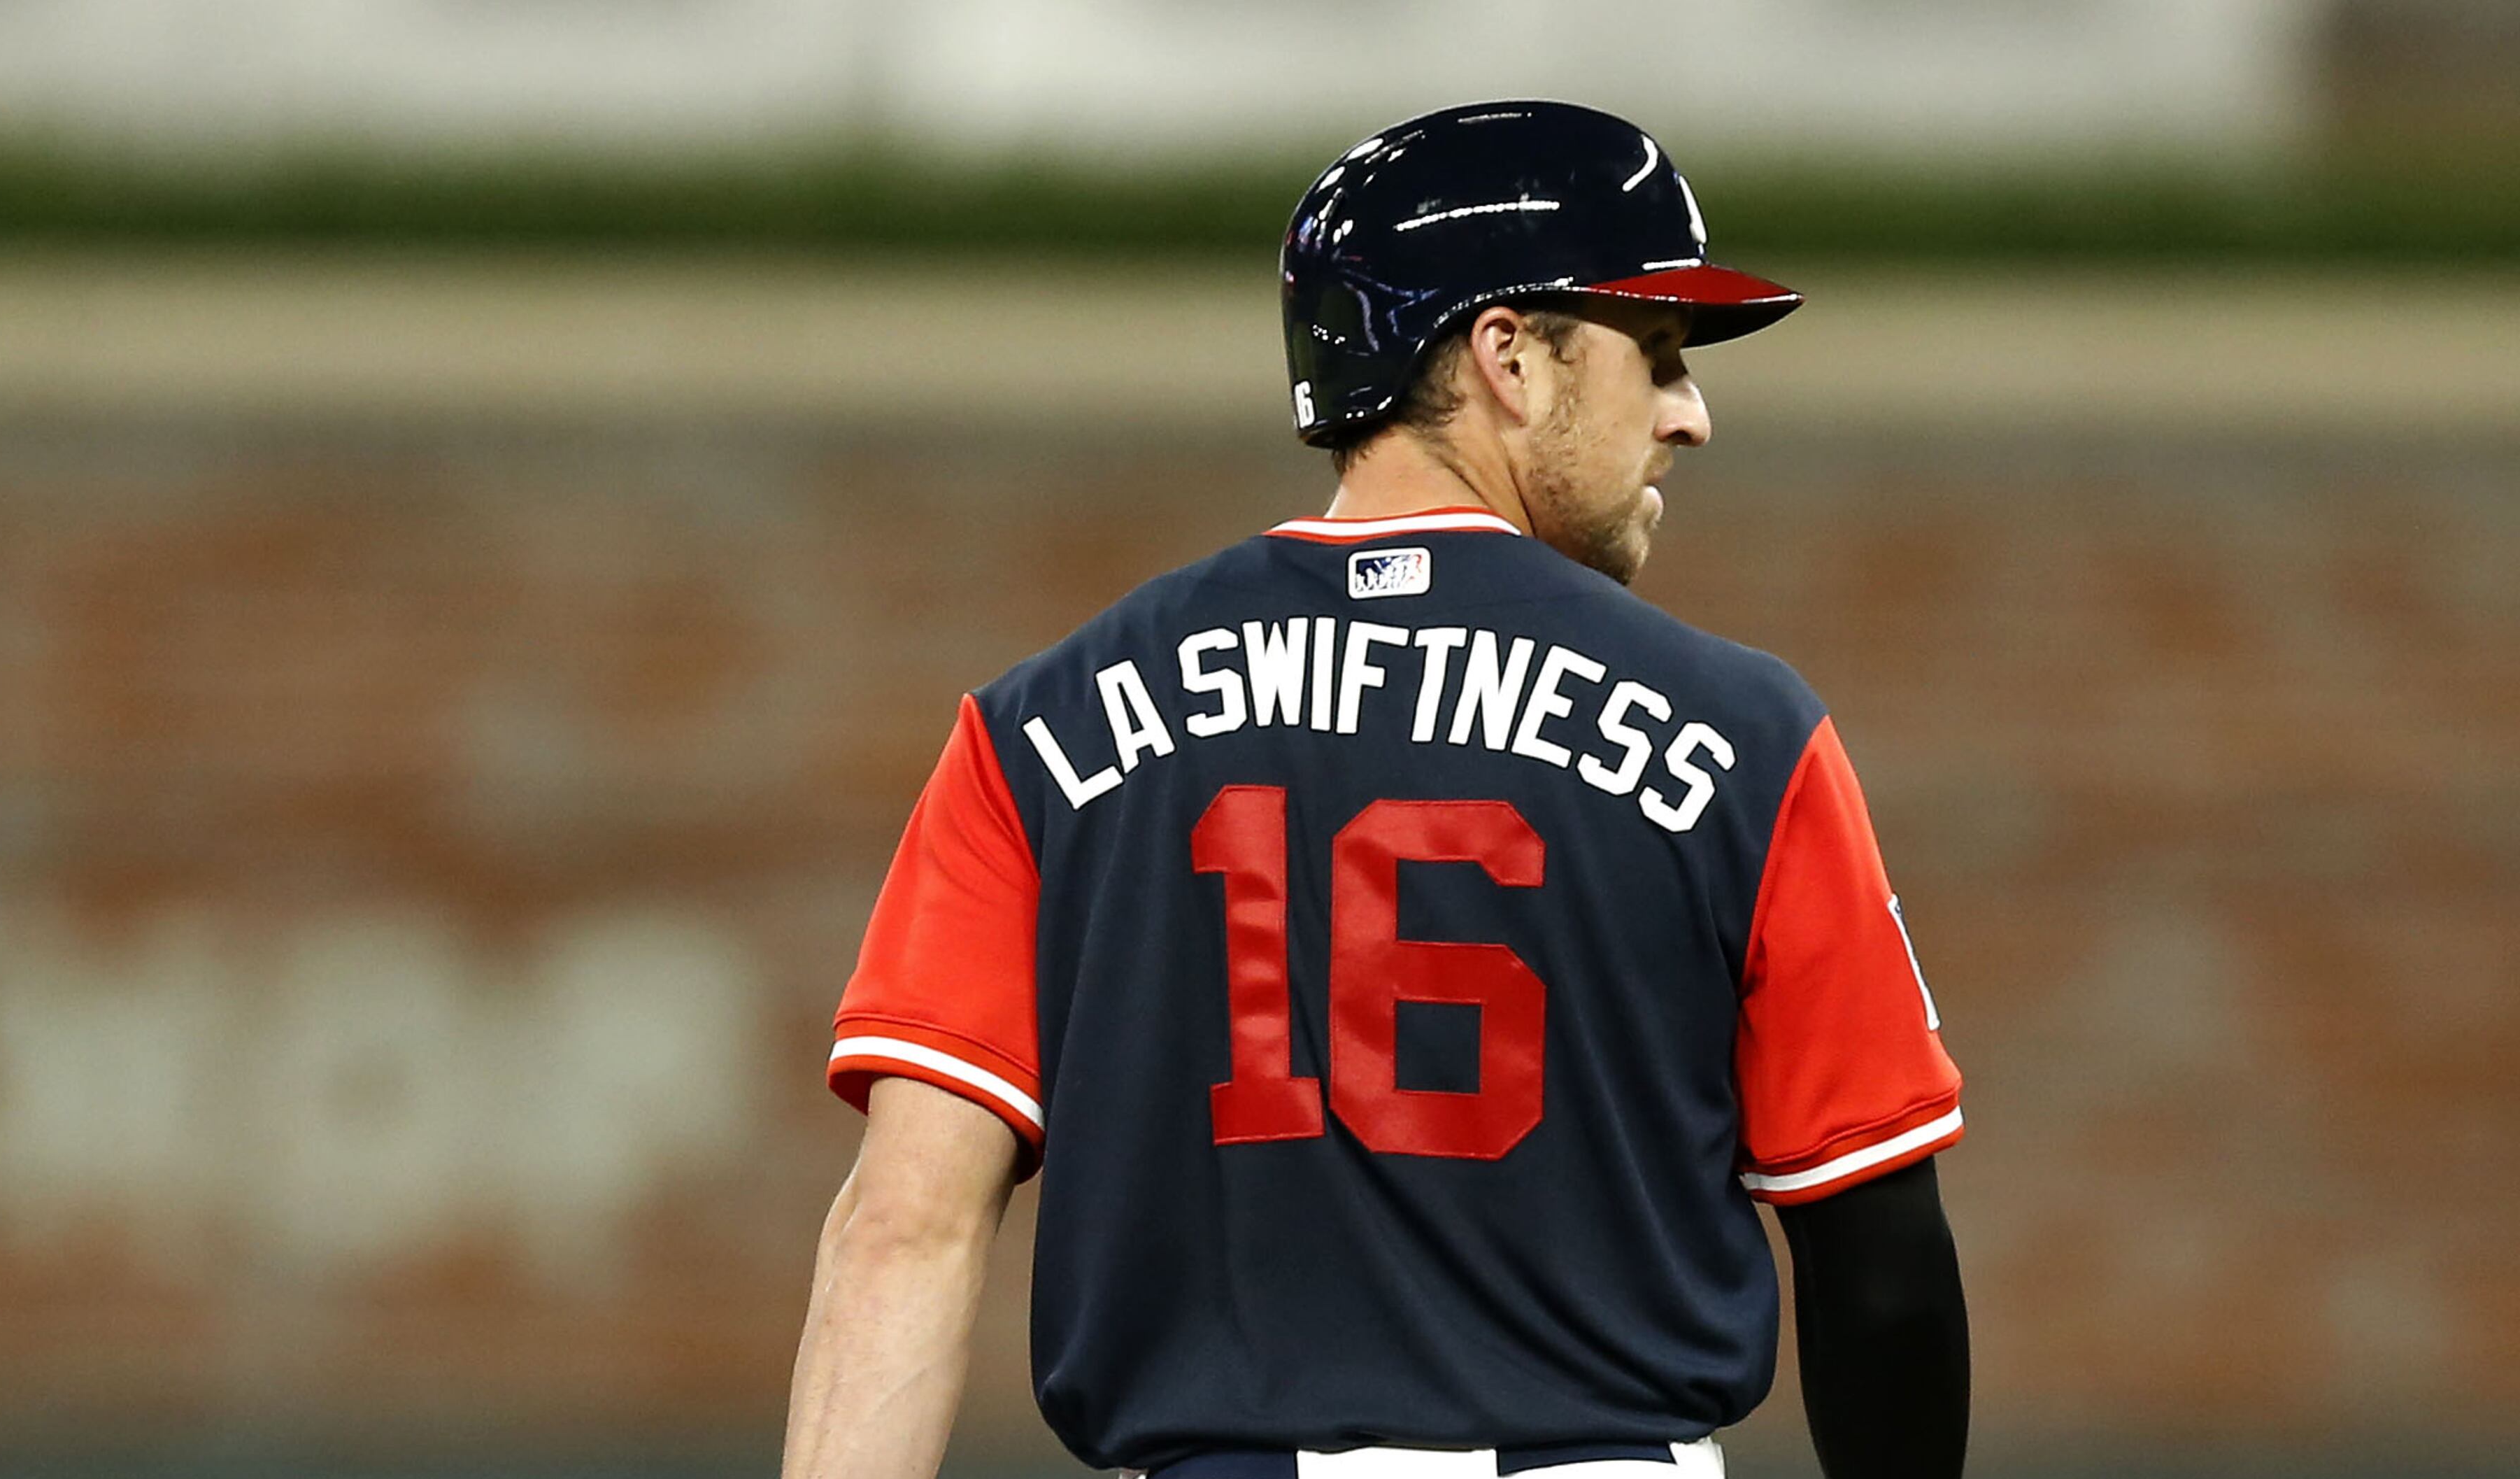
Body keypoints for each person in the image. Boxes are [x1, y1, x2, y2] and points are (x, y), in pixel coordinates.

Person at [785, 101, 1969, 1479]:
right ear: (1508, 358)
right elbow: (1881, 1264)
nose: (1689, 413)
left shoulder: (1036, 729)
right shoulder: (1741, 733)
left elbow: (904, 1229)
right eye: (1653, 354)